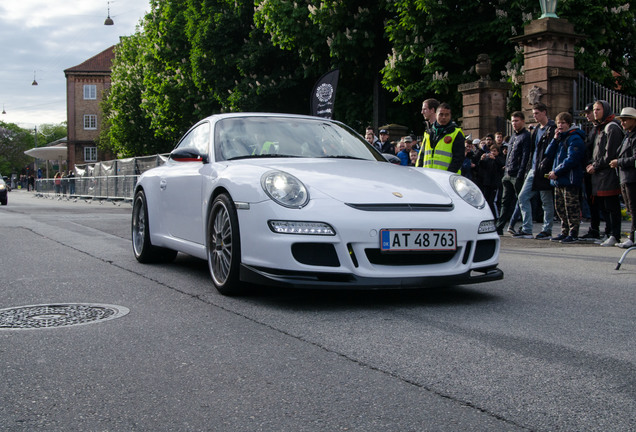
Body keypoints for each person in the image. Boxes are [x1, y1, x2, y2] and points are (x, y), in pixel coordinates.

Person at [514, 103, 557, 239]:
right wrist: (528, 168)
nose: (534, 116)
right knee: (522, 197)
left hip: (544, 169)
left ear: (544, 112)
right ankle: (527, 228)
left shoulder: (552, 128)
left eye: (537, 113)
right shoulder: (537, 129)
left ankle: (547, 229)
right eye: (533, 114)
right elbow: (533, 151)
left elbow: (552, 151)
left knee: (546, 200)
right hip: (534, 168)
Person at [542, 112, 586, 243]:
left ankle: (573, 232)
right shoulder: (561, 138)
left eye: (563, 123)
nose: (560, 125)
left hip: (569, 179)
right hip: (559, 179)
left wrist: (557, 171)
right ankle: (564, 231)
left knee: (571, 207)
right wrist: (555, 139)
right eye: (558, 123)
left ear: (568, 124)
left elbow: (572, 159)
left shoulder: (575, 138)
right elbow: (548, 153)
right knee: (560, 208)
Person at [586, 100, 624, 246]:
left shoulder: (611, 127)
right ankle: (609, 233)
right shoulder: (600, 127)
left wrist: (595, 165)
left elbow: (610, 153)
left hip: (608, 174)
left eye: (598, 109)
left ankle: (614, 234)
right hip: (600, 175)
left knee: (611, 205)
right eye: (594, 109)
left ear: (605, 110)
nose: (595, 112)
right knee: (604, 206)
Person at [496, 111, 532, 235]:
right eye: (512, 121)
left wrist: (521, 174)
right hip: (508, 173)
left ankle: (525, 226)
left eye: (516, 121)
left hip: (517, 174)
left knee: (521, 200)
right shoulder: (513, 137)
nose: (514, 123)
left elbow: (525, 157)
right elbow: (509, 156)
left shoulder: (526, 136)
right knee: (505, 201)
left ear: (523, 121)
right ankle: (499, 227)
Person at [609, 107, 636, 248]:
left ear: (633, 120)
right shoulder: (628, 135)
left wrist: (618, 162)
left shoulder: (634, 136)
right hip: (625, 178)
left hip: (632, 178)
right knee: (631, 209)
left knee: (634, 208)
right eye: (621, 120)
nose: (623, 122)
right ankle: (633, 236)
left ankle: (633, 237)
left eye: (625, 119)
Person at [579, 102, 605, 241]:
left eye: (591, 112)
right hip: (589, 170)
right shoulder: (592, 129)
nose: (589, 115)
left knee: (602, 203)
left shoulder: (603, 129)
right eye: (589, 112)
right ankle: (594, 229)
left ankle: (608, 230)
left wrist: (594, 164)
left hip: (598, 171)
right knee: (591, 201)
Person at [416, 102, 465, 173]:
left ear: (450, 116)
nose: (444, 117)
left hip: (446, 177)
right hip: (427, 175)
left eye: (446, 115)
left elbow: (458, 158)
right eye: (441, 114)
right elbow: (421, 155)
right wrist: (418, 171)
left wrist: (448, 174)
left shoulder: (456, 133)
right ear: (436, 115)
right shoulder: (428, 133)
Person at [478, 144, 505, 216]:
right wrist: (481, 159)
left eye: (495, 151)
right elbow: (481, 167)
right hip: (487, 183)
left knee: (493, 201)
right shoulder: (488, 159)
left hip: (495, 183)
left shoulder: (499, 158)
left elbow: (502, 164)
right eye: (491, 151)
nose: (493, 153)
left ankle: (496, 216)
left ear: (498, 152)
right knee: (486, 200)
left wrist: (495, 159)